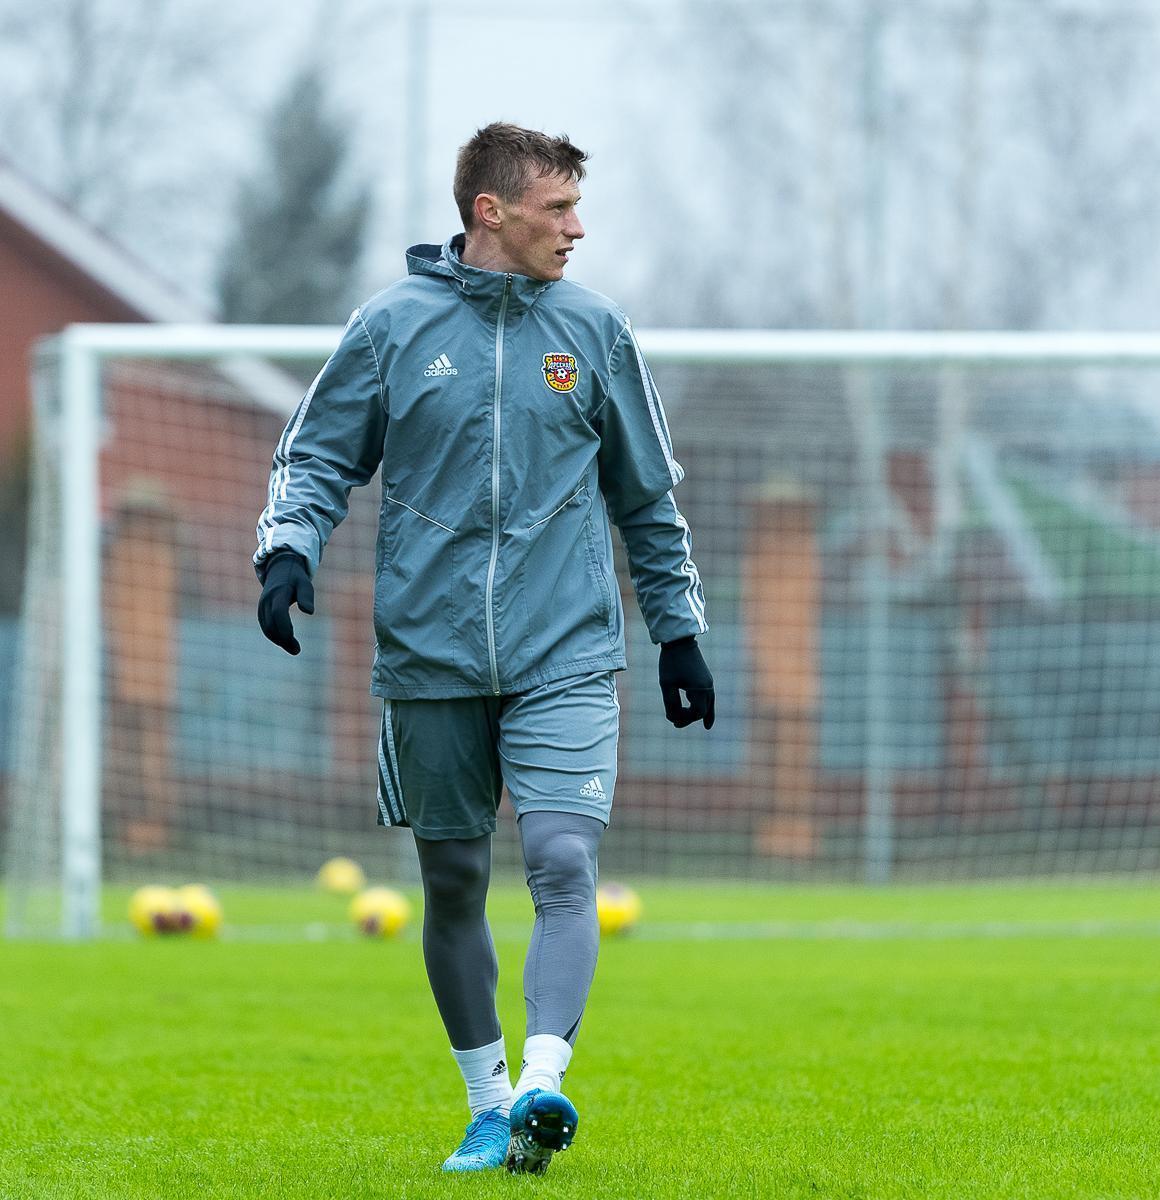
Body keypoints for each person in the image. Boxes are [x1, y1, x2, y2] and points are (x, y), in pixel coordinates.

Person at [251, 122, 714, 1176]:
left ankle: (545, 1080)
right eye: (558, 209)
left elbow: (648, 498)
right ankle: (489, 1106)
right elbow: (315, 456)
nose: (577, 228)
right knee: (455, 881)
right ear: (489, 212)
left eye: (577, 207)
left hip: (568, 651)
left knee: (563, 860)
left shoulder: (596, 330)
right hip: (429, 655)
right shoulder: (389, 328)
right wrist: (286, 550)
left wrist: (679, 630)